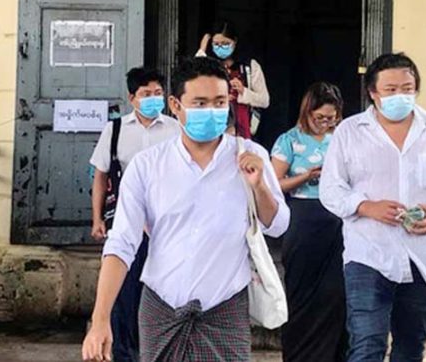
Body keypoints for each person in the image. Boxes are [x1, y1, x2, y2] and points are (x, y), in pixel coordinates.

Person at [82, 57, 290, 362]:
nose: (211, 111)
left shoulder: (250, 155)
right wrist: (100, 319)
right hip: (161, 306)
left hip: (226, 307)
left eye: (219, 102)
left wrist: (259, 185)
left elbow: (278, 224)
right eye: (200, 102)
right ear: (176, 105)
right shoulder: (147, 165)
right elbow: (122, 243)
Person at [319, 53, 426, 362]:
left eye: (407, 87)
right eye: (390, 89)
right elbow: (331, 189)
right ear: (373, 93)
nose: (400, 95)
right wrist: (365, 206)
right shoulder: (350, 132)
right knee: (366, 344)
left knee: (411, 345)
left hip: (423, 255)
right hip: (369, 254)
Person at [88, 67, 180, 362]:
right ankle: (126, 353)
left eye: (158, 93)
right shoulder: (114, 130)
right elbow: (101, 177)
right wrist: (97, 219)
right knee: (124, 291)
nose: (154, 99)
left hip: (165, 222)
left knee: (161, 289)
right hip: (126, 220)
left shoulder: (176, 129)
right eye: (146, 94)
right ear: (132, 98)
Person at [271, 82, 349, 362]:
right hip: (304, 219)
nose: (326, 123)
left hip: (338, 221)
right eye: (320, 118)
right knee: (302, 295)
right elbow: (274, 184)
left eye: (331, 118)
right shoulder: (289, 140)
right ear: (307, 113)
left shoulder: (343, 138)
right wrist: (306, 177)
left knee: (337, 294)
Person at [196, 21, 269, 139]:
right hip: (211, 132)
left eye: (225, 43)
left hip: (243, 132)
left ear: (234, 42)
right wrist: (202, 51)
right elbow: (192, 84)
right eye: (216, 44)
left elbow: (265, 101)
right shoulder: (208, 66)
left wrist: (243, 91)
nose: (220, 48)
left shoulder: (249, 67)